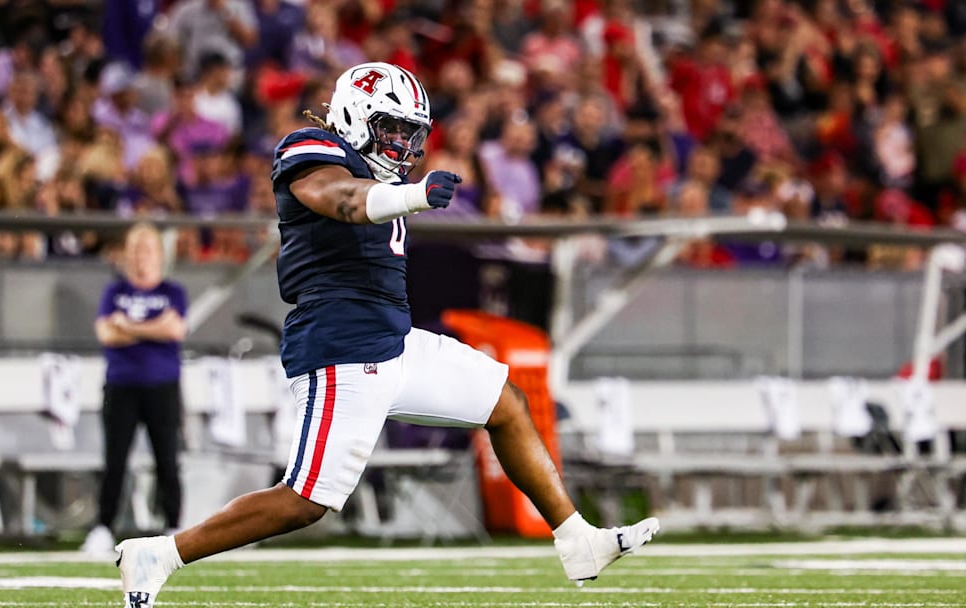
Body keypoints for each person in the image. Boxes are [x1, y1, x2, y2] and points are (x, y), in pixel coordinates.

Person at [113, 62, 658, 608]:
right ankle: (158, 554)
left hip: (395, 340)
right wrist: (413, 196)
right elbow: (345, 200)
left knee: (507, 402)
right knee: (305, 500)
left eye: (409, 133)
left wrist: (406, 192)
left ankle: (576, 539)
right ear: (353, 115)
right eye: (391, 128)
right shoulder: (310, 149)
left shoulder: (383, 173)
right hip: (341, 349)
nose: (401, 144)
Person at [82, 223, 188, 556]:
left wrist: (128, 325)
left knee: (167, 460)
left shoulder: (173, 292)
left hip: (163, 386)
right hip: (121, 385)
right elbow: (105, 334)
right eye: (136, 250)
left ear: (158, 254)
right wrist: (151, 329)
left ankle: (174, 525)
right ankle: (103, 527)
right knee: (114, 461)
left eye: (148, 250)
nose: (142, 258)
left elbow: (175, 329)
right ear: (127, 256)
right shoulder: (114, 292)